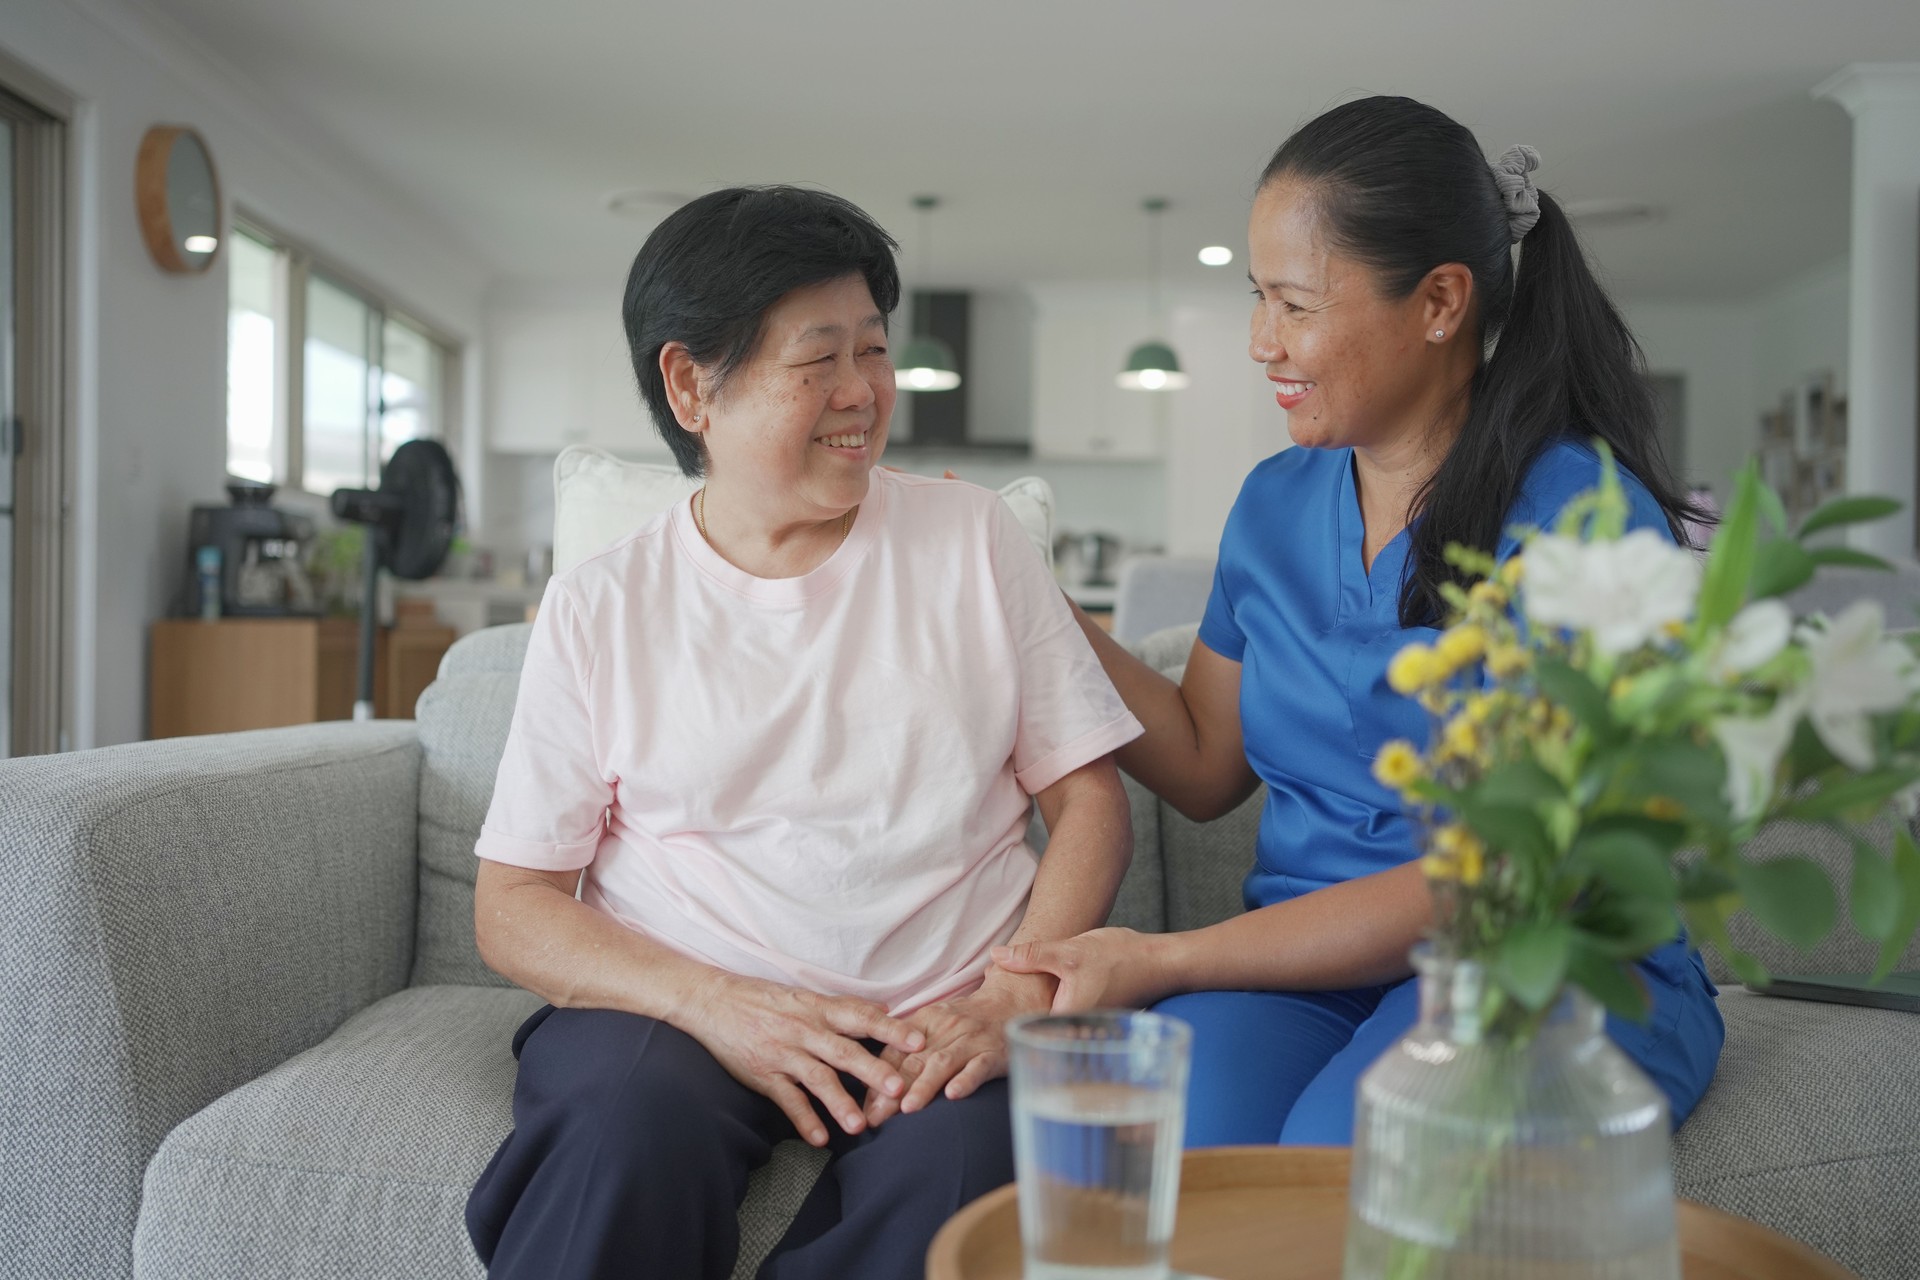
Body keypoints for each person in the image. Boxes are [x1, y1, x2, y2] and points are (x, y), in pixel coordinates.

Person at [993, 96, 1726, 1147]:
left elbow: (1495, 880)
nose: (1260, 342)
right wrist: (1035, 602)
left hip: (1540, 957)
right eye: (1257, 299)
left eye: (1294, 304)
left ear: (1439, 302)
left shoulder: (1589, 525)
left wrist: (1167, 956)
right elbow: (1204, 760)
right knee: (1127, 1130)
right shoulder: (1275, 501)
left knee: (1362, 1148)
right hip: (1306, 966)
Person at [464, 186, 1141, 1280]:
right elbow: (514, 903)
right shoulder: (602, 604)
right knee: (617, 1130)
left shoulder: (973, 538)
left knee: (971, 1178)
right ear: (692, 385)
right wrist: (714, 1002)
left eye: (872, 350)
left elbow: (1091, 799)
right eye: (816, 358)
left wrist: (1012, 995)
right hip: (680, 1007)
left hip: (941, 1007)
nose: (862, 392)